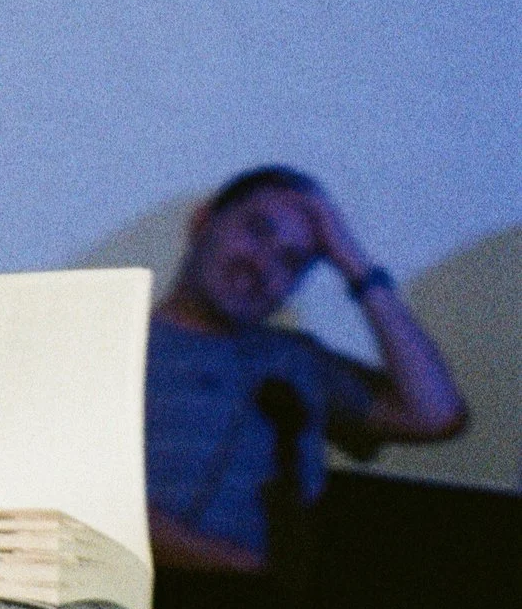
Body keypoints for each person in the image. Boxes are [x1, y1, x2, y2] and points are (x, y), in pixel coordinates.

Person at [146, 166, 465, 571]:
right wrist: (263, 575)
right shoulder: (106, 338)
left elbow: (436, 414)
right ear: (202, 221)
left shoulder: (296, 362)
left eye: (291, 260)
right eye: (258, 231)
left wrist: (356, 265)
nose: (261, 265)